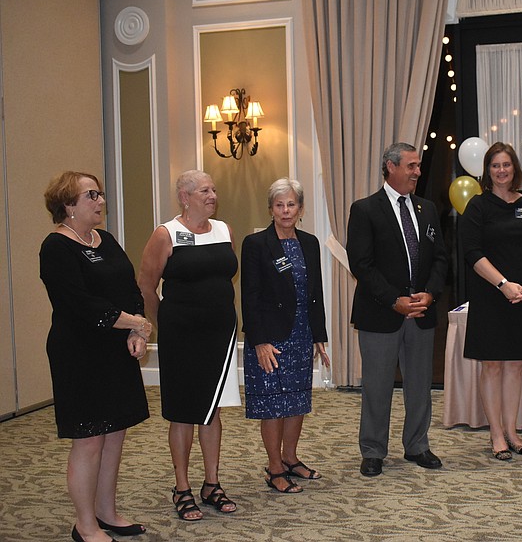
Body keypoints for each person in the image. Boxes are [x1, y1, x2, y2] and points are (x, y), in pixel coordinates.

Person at [40, 171, 151, 542]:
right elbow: (80, 304)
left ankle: (106, 512)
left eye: (100, 194)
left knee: (114, 433)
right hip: (80, 353)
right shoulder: (56, 247)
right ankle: (85, 525)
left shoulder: (105, 239)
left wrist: (136, 329)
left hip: (115, 347)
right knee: (89, 439)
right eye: (92, 195)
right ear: (68, 204)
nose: (101, 201)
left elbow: (129, 287)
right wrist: (134, 323)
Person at [138, 170, 240, 521]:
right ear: (185, 197)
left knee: (211, 409)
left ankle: (212, 484)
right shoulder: (165, 234)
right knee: (182, 411)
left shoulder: (224, 230)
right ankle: (181, 487)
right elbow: (146, 285)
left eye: (214, 189)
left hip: (220, 333)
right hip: (180, 334)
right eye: (204, 191)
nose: (213, 196)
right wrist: (163, 324)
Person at [346, 142, 448, 477]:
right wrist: (395, 300)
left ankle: (417, 445)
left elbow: (440, 258)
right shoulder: (365, 210)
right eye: (411, 166)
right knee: (377, 386)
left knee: (419, 385)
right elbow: (361, 264)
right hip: (381, 313)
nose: (418, 172)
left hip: (421, 312)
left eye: (418, 166)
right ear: (391, 167)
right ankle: (373, 450)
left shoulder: (426, 209)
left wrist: (429, 294)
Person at [457, 142, 522, 460]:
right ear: (487, 170)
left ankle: (512, 431)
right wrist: (502, 284)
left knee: (515, 365)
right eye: (495, 165)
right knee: (493, 365)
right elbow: (472, 253)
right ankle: (496, 434)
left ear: (514, 169)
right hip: (490, 296)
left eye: (506, 164)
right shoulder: (478, 206)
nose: (501, 170)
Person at [241, 178, 330, 494]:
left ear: (300, 208)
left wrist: (319, 336)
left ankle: (290, 459)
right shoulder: (256, 244)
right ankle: (275, 467)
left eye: (291, 204)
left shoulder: (310, 243)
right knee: (274, 404)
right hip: (271, 339)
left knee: (297, 400)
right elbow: (249, 296)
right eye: (279, 205)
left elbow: (315, 293)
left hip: (301, 334)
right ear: (271, 209)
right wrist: (259, 341)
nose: (285, 210)